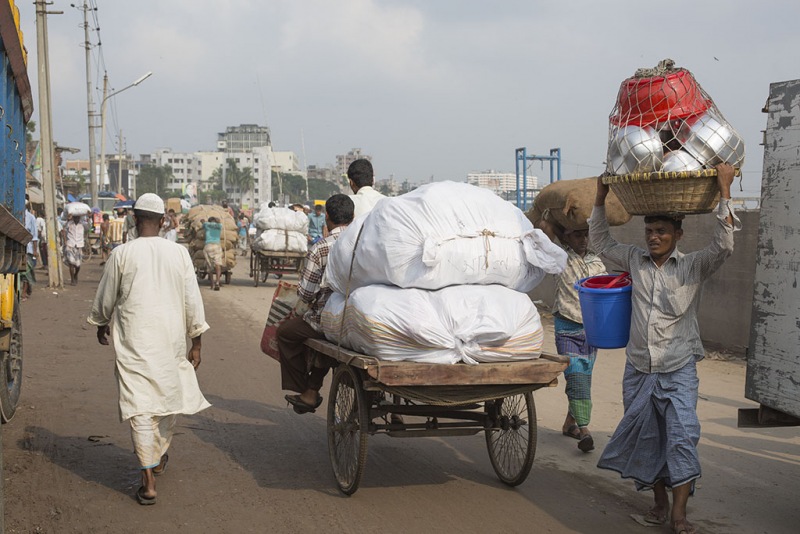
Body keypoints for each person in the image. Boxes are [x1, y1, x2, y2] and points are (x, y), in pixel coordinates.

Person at [590, 163, 738, 534]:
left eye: (661, 232)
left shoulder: (693, 267)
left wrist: (724, 189)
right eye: (650, 231)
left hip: (678, 369)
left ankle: (679, 514)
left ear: (678, 234)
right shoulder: (634, 261)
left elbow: (724, 244)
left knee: (683, 436)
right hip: (639, 368)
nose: (653, 237)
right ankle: (658, 503)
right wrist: (600, 197)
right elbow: (601, 242)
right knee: (648, 438)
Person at [88, 193, 210, 506]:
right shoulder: (179, 253)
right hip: (169, 342)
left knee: (140, 406)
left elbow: (105, 299)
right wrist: (196, 341)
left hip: (134, 343)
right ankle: (153, 462)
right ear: (162, 221)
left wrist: (102, 322)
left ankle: (149, 476)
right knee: (166, 401)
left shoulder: (122, 254)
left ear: (134, 219)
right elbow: (192, 301)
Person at [278, 194, 355, 414]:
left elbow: (306, 293)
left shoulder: (321, 247)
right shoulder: (365, 245)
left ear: (327, 218)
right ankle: (310, 391)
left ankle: (305, 388)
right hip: (360, 318)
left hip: (326, 319)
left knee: (285, 332)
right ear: (353, 217)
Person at [539, 221, 607, 453]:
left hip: (593, 330)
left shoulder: (596, 259)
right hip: (567, 327)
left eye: (585, 234)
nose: (582, 239)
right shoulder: (560, 258)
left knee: (584, 376)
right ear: (566, 237)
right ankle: (585, 429)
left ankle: (570, 423)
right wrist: (555, 223)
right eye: (576, 235)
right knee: (577, 377)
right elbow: (544, 232)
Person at [61, 213, 85, 286]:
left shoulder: (82, 224)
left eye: (78, 217)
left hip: (79, 245)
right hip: (70, 244)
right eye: (75, 217)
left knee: (78, 265)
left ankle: (75, 274)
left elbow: (88, 228)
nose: (76, 219)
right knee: (71, 263)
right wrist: (65, 240)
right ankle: (72, 279)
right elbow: (63, 231)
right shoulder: (69, 224)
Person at [21, 202, 38, 300]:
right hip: (18, 247)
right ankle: (27, 286)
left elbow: (34, 235)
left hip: (29, 248)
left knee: (26, 271)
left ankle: (24, 291)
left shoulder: (31, 217)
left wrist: (35, 250)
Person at [202, 216, 224, 290]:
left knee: (210, 266)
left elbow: (203, 223)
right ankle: (217, 282)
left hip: (208, 246)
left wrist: (203, 221)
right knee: (218, 265)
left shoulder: (206, 225)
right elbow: (220, 223)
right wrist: (218, 221)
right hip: (216, 246)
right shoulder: (219, 226)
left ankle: (212, 284)